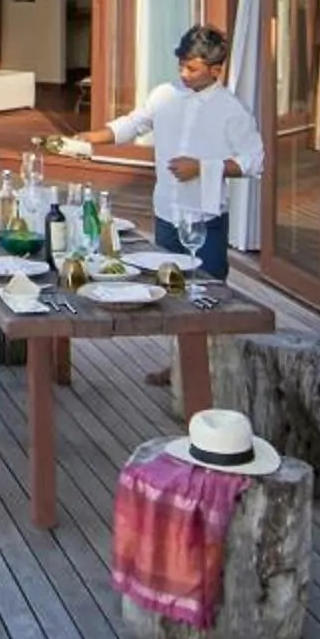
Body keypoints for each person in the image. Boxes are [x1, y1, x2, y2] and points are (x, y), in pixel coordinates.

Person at [63, 24, 261, 382]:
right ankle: (181, 368)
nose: (184, 74)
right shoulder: (164, 95)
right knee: (171, 293)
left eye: (193, 68)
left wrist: (202, 168)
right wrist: (91, 138)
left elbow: (254, 161)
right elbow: (133, 125)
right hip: (167, 211)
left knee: (207, 295)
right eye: (182, 65)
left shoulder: (232, 110)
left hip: (205, 217)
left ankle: (216, 375)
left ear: (216, 70)